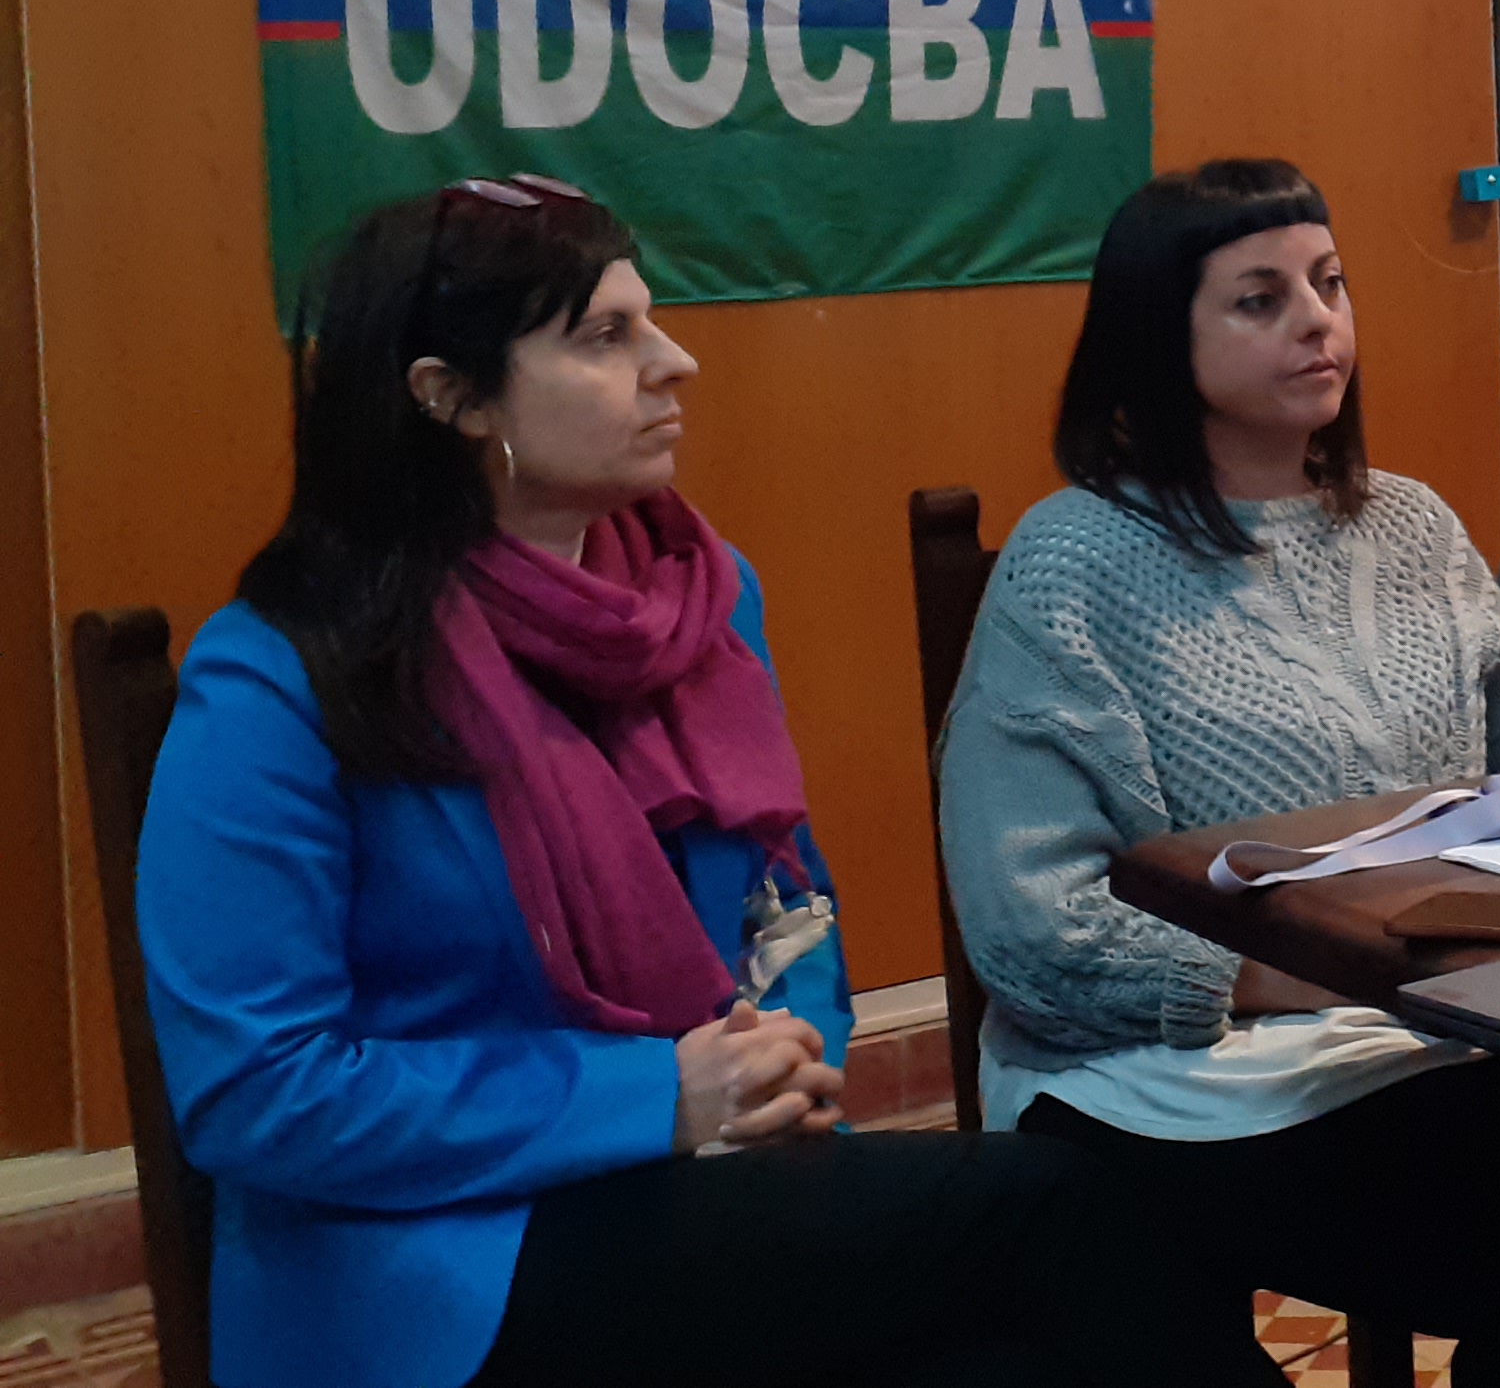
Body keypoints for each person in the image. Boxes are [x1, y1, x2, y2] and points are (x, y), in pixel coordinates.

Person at [139, 178, 1252, 1388]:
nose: (675, 363)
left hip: (703, 1184)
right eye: (606, 337)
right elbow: (256, 1090)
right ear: (450, 396)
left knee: (1030, 1357)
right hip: (435, 1262)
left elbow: (786, 900)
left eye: (651, 321)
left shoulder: (699, 598)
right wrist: (653, 1099)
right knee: (1070, 1211)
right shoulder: (285, 673)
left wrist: (779, 1060)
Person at [938, 160, 1500, 1387]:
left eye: (1330, 283)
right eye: (1260, 299)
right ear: (1157, 340)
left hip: (1432, 1027)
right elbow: (1029, 928)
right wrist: (1297, 974)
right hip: (1177, 1066)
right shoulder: (1074, 559)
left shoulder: (1409, 523)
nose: (1318, 321)